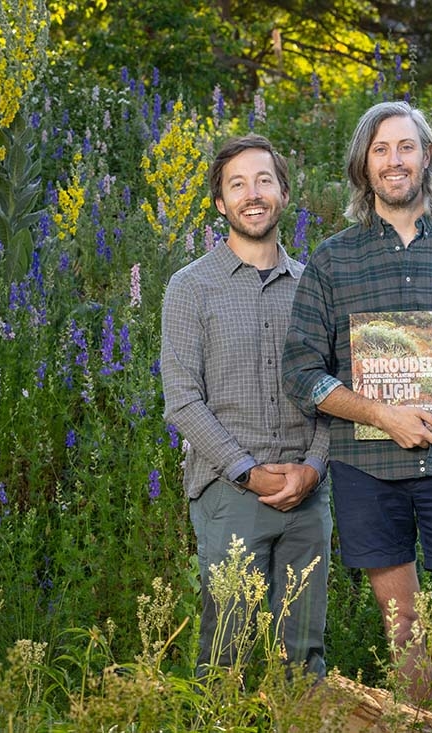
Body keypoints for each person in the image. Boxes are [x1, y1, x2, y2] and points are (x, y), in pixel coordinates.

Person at [282, 101, 432, 697]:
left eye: (406, 147)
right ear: (364, 167)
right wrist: (379, 413)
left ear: (426, 158)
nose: (395, 160)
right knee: (405, 631)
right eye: (381, 149)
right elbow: (302, 372)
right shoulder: (333, 261)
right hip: (368, 468)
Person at [161, 134, 331, 679]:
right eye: (237, 184)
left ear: (283, 193)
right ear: (220, 202)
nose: (251, 194)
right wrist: (249, 474)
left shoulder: (314, 287)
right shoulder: (190, 288)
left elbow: (336, 390)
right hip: (228, 495)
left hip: (308, 495)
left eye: (263, 181)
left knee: (302, 654)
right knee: (225, 650)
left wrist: (313, 467)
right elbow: (183, 400)